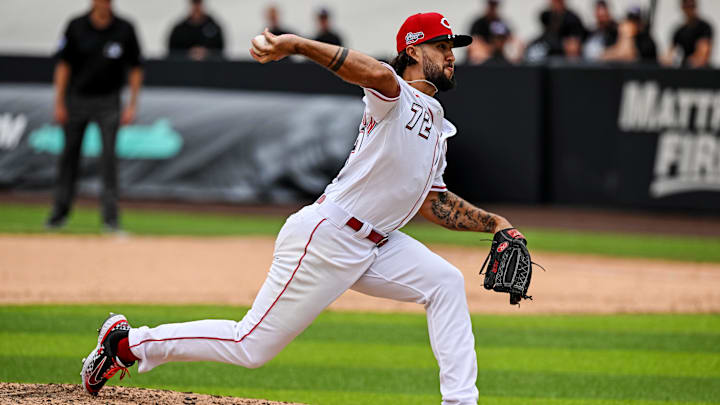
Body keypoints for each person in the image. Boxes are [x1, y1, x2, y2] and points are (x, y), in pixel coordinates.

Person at [80, 12, 526, 405]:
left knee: (444, 282)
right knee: (250, 346)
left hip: (377, 244)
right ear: (413, 50)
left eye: (452, 47)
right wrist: (294, 43)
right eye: (442, 45)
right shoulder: (394, 96)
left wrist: (496, 224)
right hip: (328, 236)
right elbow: (372, 73)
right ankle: (126, 343)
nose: (451, 54)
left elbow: (434, 201)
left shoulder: (436, 123)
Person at [46, 0, 143, 232]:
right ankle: (59, 214)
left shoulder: (124, 29)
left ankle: (110, 219)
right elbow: (63, 65)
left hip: (109, 101)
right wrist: (59, 102)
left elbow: (136, 67)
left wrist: (132, 104)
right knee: (69, 157)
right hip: (77, 98)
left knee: (109, 159)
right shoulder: (76, 26)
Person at [466, 0, 521, 64]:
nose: (493, 8)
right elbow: (473, 43)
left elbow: (512, 40)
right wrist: (490, 48)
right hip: (484, 55)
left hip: (500, 55)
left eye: (495, 5)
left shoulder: (502, 22)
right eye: (491, 4)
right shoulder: (478, 24)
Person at [662, 0, 713, 68]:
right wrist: (665, 61)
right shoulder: (679, 31)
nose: (690, 9)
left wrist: (693, 61)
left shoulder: (704, 27)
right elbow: (670, 54)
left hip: (702, 70)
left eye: (692, 6)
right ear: (683, 7)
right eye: (687, 6)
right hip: (686, 69)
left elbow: (703, 55)